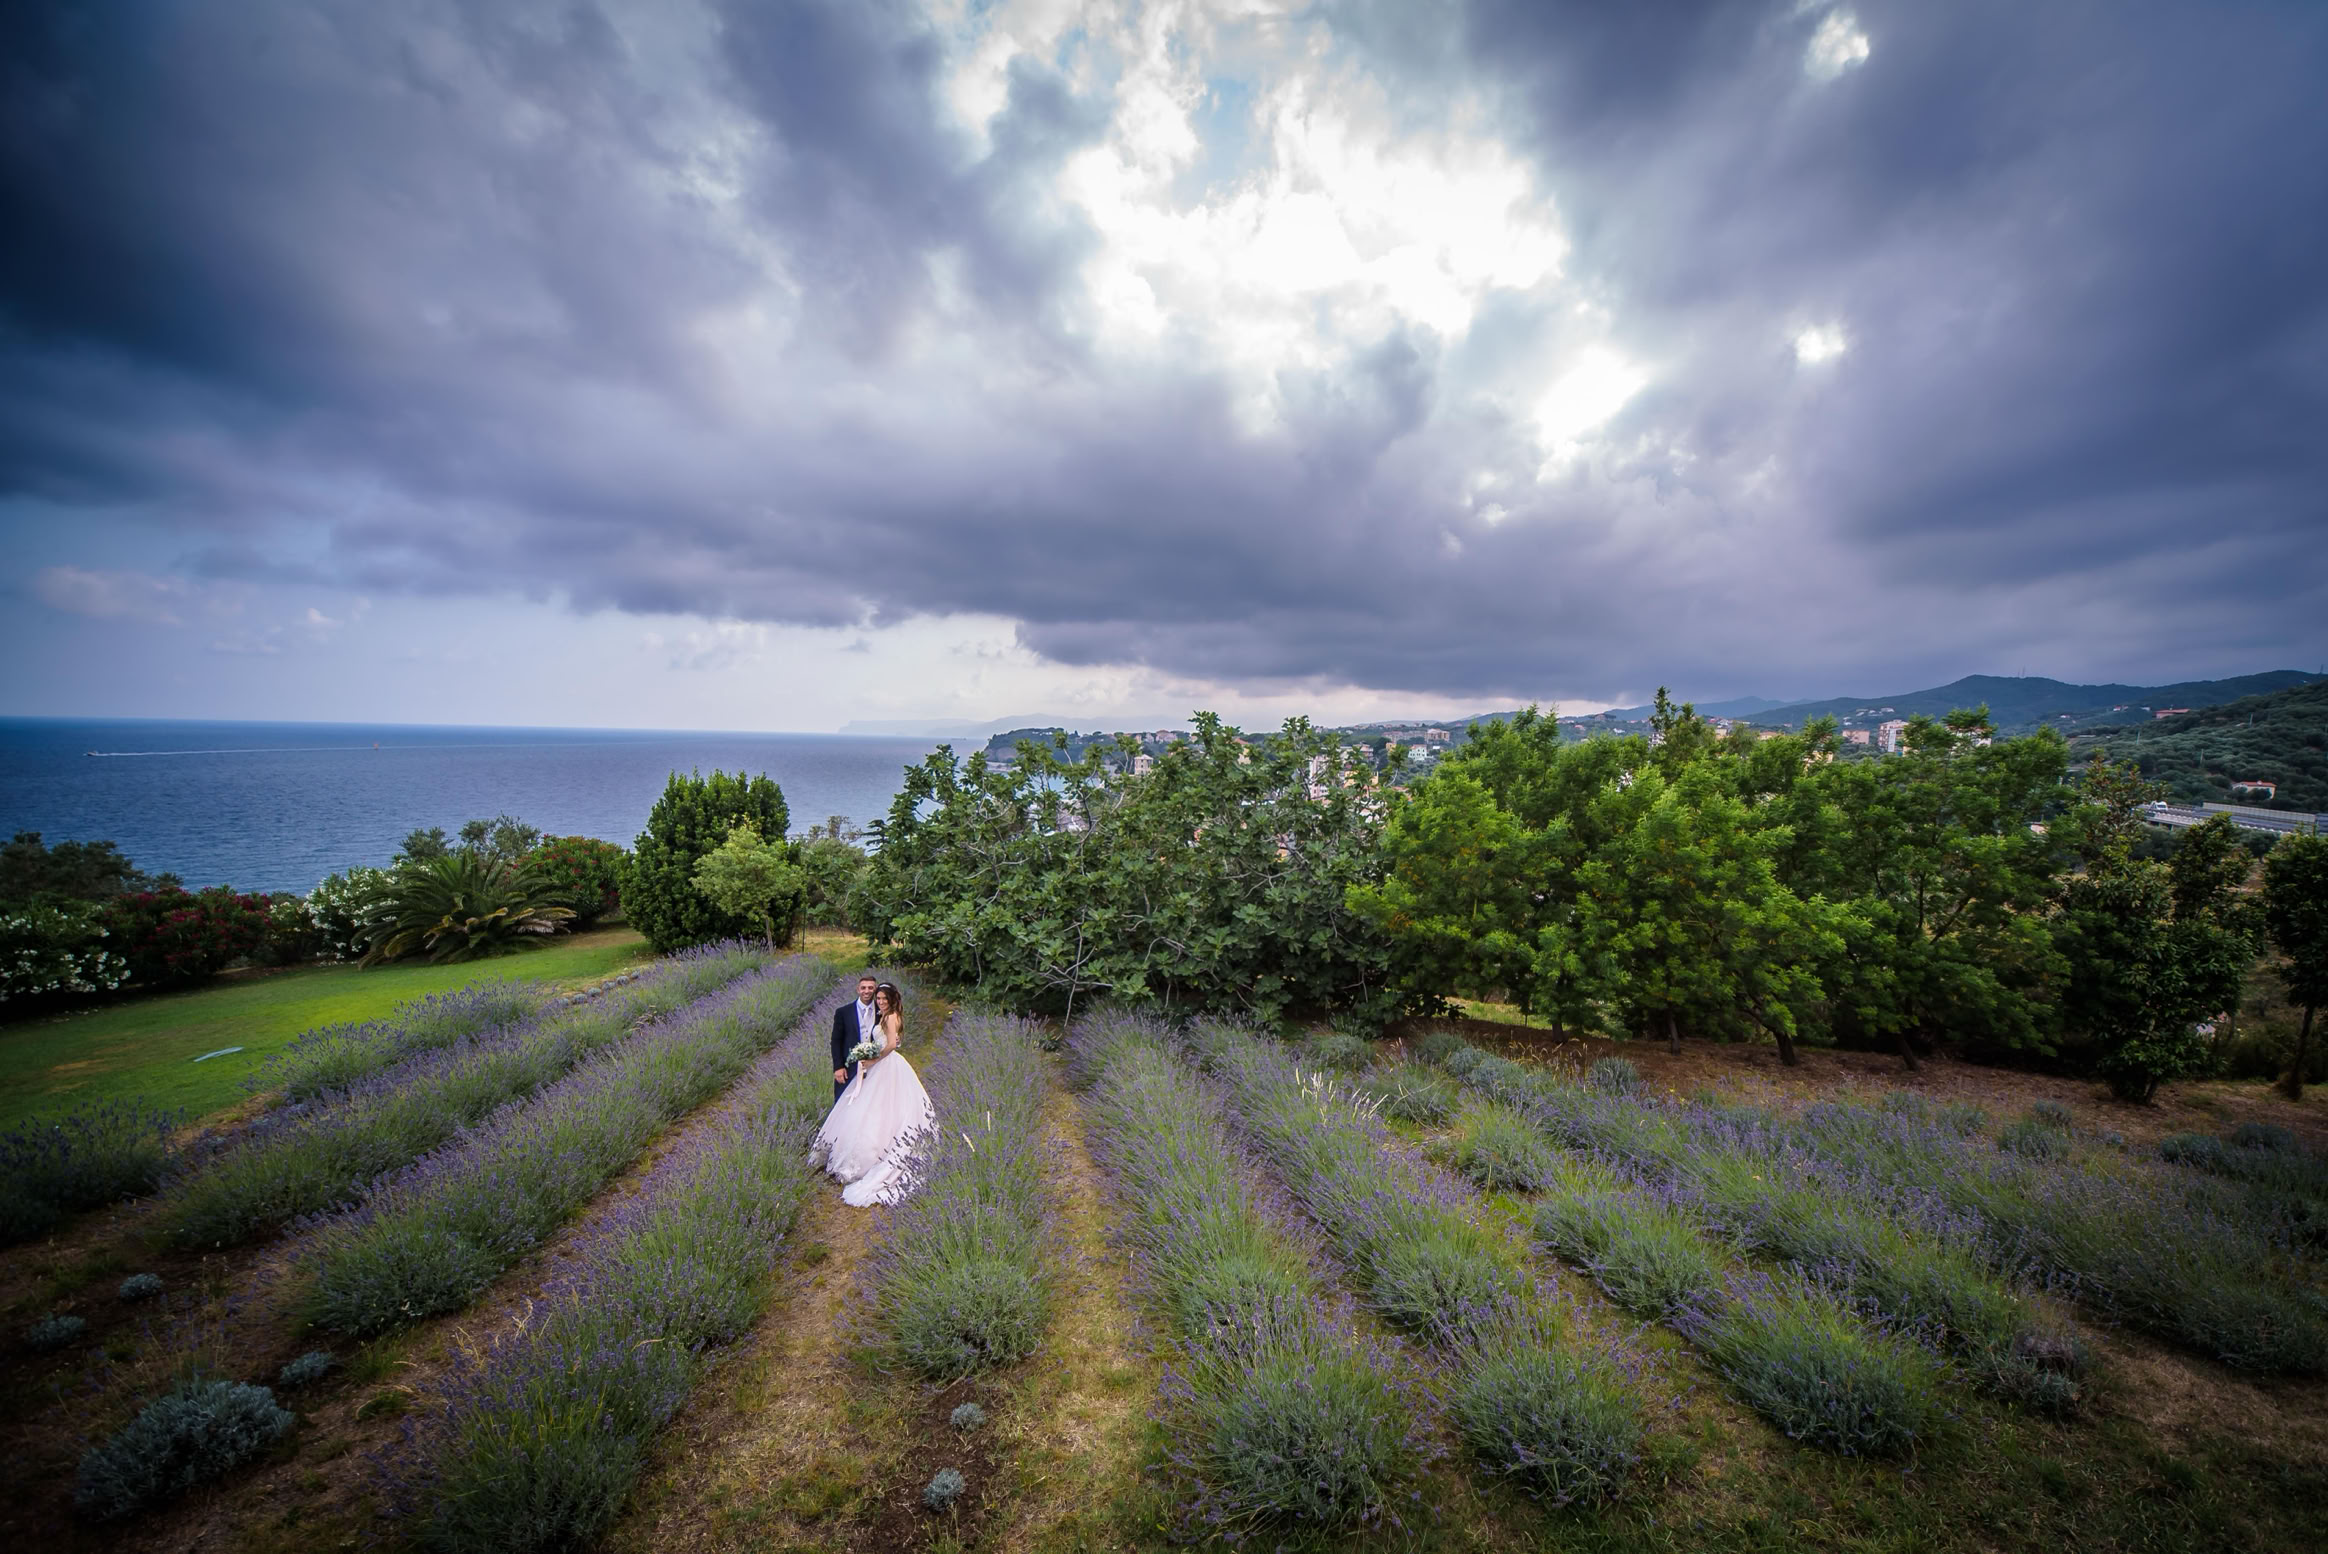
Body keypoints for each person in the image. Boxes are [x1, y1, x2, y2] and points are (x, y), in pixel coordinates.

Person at [809, 982, 934, 1207]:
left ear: (893, 999)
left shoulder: (890, 1016)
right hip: (879, 1065)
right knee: (865, 1106)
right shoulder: (883, 1016)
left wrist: (873, 1059)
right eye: (879, 998)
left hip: (887, 1065)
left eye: (884, 998)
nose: (881, 1001)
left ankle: (875, 1155)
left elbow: (892, 1046)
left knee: (885, 1107)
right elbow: (890, 1040)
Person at [831, 972, 879, 1101]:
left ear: (875, 989)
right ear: (858, 990)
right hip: (849, 1067)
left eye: (870, 988)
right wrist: (838, 1067)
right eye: (863, 988)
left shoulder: (882, 1011)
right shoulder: (843, 1012)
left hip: (875, 1066)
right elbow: (836, 1041)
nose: (867, 991)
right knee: (845, 1102)